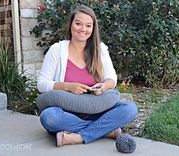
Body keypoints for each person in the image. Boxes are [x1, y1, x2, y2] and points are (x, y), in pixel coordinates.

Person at [37, 5, 137, 147]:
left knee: (130, 109)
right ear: (71, 24)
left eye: (88, 26)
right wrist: (67, 87)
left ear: (93, 28)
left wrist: (103, 86)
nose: (83, 29)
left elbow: (111, 79)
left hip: (97, 110)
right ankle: (106, 131)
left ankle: (77, 137)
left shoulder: (100, 49)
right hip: (67, 113)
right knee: (49, 117)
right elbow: (41, 84)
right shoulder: (57, 50)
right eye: (78, 23)